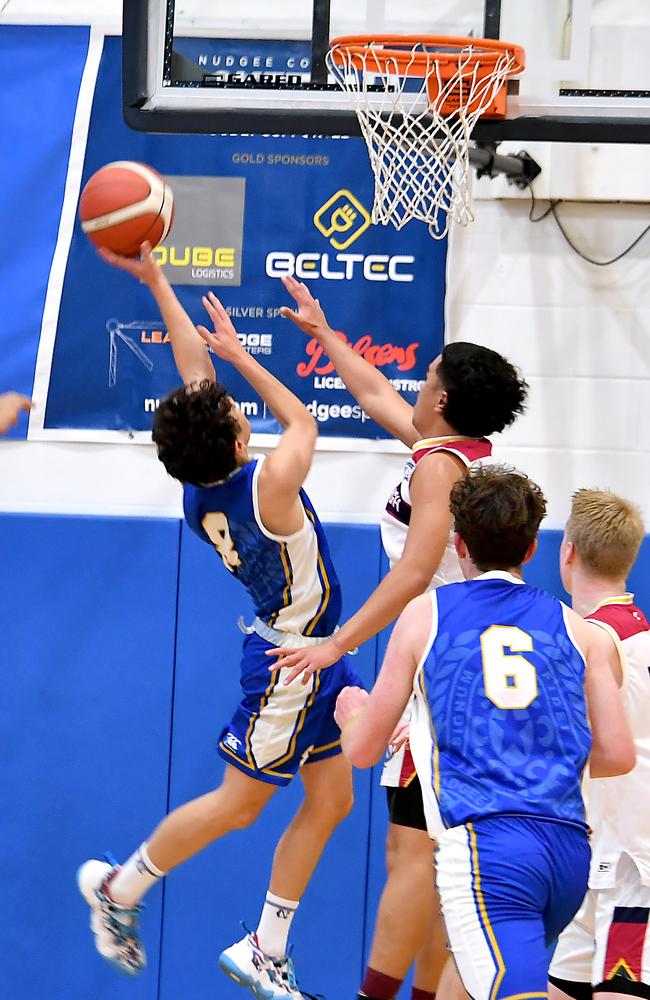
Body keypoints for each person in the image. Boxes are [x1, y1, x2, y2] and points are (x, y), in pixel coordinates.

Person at [77, 243, 362, 1000]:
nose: (236, 402)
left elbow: (191, 378)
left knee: (333, 797)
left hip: (316, 655)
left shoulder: (201, 489)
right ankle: (120, 889)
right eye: (238, 413)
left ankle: (266, 946)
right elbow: (301, 418)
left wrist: (158, 282)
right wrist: (240, 354)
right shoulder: (269, 488)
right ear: (240, 443)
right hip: (292, 664)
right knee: (238, 806)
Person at [268, 277, 528, 1000]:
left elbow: (415, 572)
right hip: (473, 660)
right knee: (445, 857)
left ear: (441, 398)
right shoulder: (458, 454)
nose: (417, 383)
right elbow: (377, 396)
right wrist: (323, 334)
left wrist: (333, 644)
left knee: (414, 854)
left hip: (447, 670)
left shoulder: (441, 468)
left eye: (429, 376)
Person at [334, 465, 636, 1000]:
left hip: (487, 851)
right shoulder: (582, 632)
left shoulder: (425, 614)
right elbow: (615, 755)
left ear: (458, 543)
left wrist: (351, 711)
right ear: (530, 551)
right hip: (567, 856)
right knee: (470, 983)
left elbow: (362, 751)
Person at [549, 490, 650, 1000]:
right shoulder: (632, 633)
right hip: (595, 856)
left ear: (567, 551)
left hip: (633, 864)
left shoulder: (592, 640)